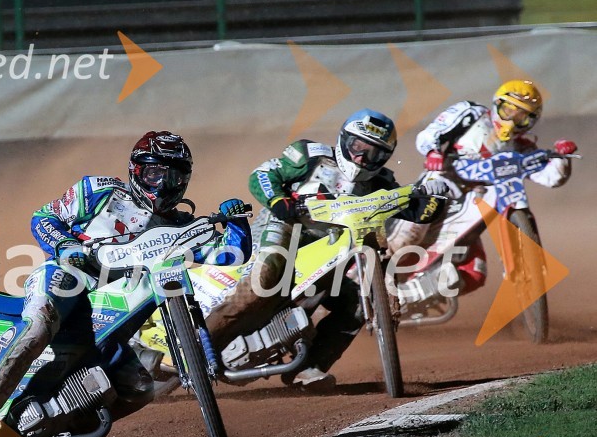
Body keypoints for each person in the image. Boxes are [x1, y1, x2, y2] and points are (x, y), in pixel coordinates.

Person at [0, 131, 252, 437]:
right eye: (154, 173)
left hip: (114, 313)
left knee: (138, 387)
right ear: (137, 171)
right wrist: (65, 246)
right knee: (38, 325)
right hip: (68, 276)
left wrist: (237, 222)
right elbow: (44, 217)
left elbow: (230, 255)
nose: (162, 184)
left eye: (173, 176)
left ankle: (41, 428)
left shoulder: (179, 227)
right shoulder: (99, 190)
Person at [205, 109, 446, 391]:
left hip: (330, 251)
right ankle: (197, 348)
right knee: (264, 281)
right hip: (286, 227)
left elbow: (418, 212)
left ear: (385, 156)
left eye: (374, 153)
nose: (362, 158)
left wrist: (435, 194)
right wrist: (280, 201)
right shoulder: (309, 155)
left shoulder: (381, 183)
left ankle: (308, 369)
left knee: (356, 303)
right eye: (358, 147)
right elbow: (263, 174)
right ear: (344, 140)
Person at [391, 79, 577, 303]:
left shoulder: (522, 147)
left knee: (474, 274)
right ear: (497, 104)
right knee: (408, 237)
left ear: (532, 120)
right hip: (444, 183)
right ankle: (370, 272)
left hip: (479, 202)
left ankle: (404, 297)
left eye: (522, 117)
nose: (512, 120)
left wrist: (562, 158)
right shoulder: (470, 113)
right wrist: (433, 151)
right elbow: (430, 134)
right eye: (509, 110)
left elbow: (551, 177)